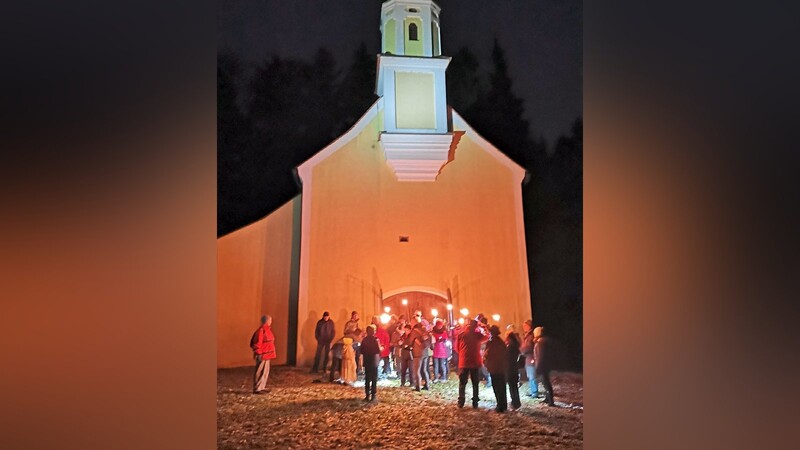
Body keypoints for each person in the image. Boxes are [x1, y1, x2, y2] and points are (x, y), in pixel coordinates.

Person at [456, 319, 489, 408]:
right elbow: (487, 337)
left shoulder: (461, 335)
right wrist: (485, 328)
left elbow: (456, 348)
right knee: (475, 383)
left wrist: (463, 354)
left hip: (464, 362)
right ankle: (475, 401)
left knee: (462, 383)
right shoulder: (477, 335)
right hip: (475, 362)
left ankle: (461, 401)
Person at [250, 315, 276, 394]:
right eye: (270, 320)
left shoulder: (267, 330)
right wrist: (259, 353)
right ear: (267, 321)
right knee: (260, 371)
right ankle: (257, 388)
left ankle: (262, 386)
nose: (271, 322)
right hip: (262, 354)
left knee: (265, 371)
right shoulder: (261, 330)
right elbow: (257, 343)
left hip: (267, 354)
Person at [483, 325, 508, 412]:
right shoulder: (501, 342)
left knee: (497, 387)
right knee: (502, 387)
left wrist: (486, 362)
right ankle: (503, 405)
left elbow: (487, 354)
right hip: (501, 368)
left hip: (494, 368)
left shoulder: (491, 342)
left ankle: (500, 405)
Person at [533, 326, 555, 406]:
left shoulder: (540, 342)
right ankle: (548, 398)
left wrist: (538, 366)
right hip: (546, 364)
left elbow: (540, 356)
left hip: (543, 365)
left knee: (546, 382)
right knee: (545, 382)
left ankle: (550, 400)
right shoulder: (544, 341)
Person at [360, 325, 382, 401]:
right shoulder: (375, 340)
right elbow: (378, 350)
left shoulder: (364, 340)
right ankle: (373, 395)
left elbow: (361, 350)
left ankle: (367, 395)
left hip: (367, 361)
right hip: (374, 361)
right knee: (374, 378)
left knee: (367, 378)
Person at [520, 320, 539, 398]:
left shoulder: (531, 336)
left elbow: (528, 347)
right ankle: (533, 391)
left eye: (525, 326)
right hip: (527, 358)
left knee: (532, 376)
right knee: (530, 375)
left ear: (529, 326)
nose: (523, 327)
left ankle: (535, 392)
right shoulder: (527, 335)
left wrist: (522, 350)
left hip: (531, 358)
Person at [505, 329, 523, 410]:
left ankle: (515, 403)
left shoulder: (510, 348)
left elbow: (507, 359)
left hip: (510, 369)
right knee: (514, 387)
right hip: (514, 369)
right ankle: (516, 402)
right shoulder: (516, 347)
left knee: (512, 387)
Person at [431, 318, 449, 382]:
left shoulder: (444, 332)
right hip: (436, 350)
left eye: (440, 325)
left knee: (442, 365)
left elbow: (446, 340)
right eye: (438, 325)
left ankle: (444, 377)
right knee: (436, 365)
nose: (439, 327)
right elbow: (432, 341)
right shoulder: (433, 332)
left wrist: (443, 340)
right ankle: (436, 377)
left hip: (442, 351)